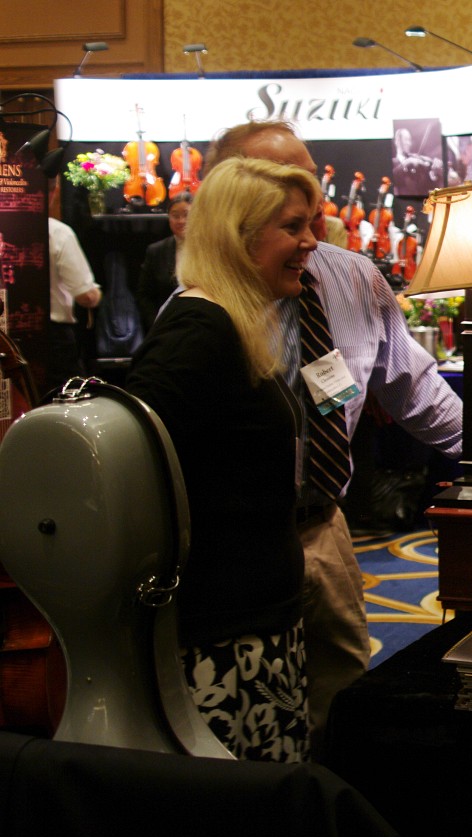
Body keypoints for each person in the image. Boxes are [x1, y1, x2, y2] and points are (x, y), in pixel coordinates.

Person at [202, 119, 472, 752]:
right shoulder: (203, 301)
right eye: (279, 188)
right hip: (236, 542)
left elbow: (414, 387)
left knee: (342, 695)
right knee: (244, 706)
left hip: (324, 525)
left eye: (306, 182)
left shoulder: (351, 277)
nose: (302, 203)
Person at [126, 156, 320, 762]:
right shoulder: (198, 329)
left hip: (252, 627)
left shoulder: (229, 324)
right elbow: (127, 462)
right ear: (239, 237)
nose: (311, 242)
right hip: (221, 640)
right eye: (293, 227)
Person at [46, 181, 102, 394]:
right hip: (54, 341)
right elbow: (85, 296)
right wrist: (96, 294)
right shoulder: (58, 233)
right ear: (53, 192)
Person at [136, 191, 192, 331]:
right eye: (175, 216)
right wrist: (157, 324)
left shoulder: (210, 249)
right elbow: (144, 295)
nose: (181, 221)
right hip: (165, 328)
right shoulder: (156, 251)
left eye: (186, 214)